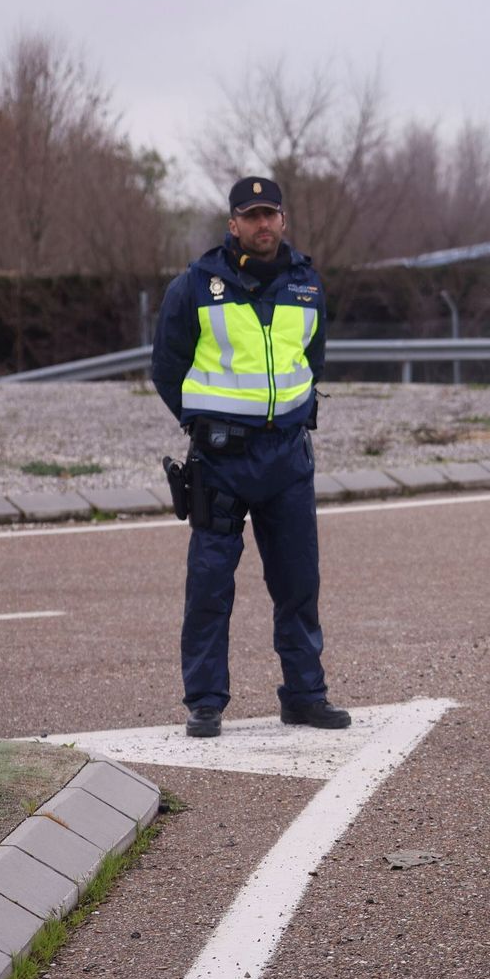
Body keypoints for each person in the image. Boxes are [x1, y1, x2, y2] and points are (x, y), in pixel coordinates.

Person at [150, 176, 349, 739]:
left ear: (283, 220)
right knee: (210, 587)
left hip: (287, 458)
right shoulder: (195, 285)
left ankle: (305, 697)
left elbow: (314, 358)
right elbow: (167, 368)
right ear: (233, 223)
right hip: (220, 461)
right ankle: (205, 702)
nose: (263, 225)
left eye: (271, 214)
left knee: (298, 585)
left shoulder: (306, 283)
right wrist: (199, 423)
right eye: (251, 216)